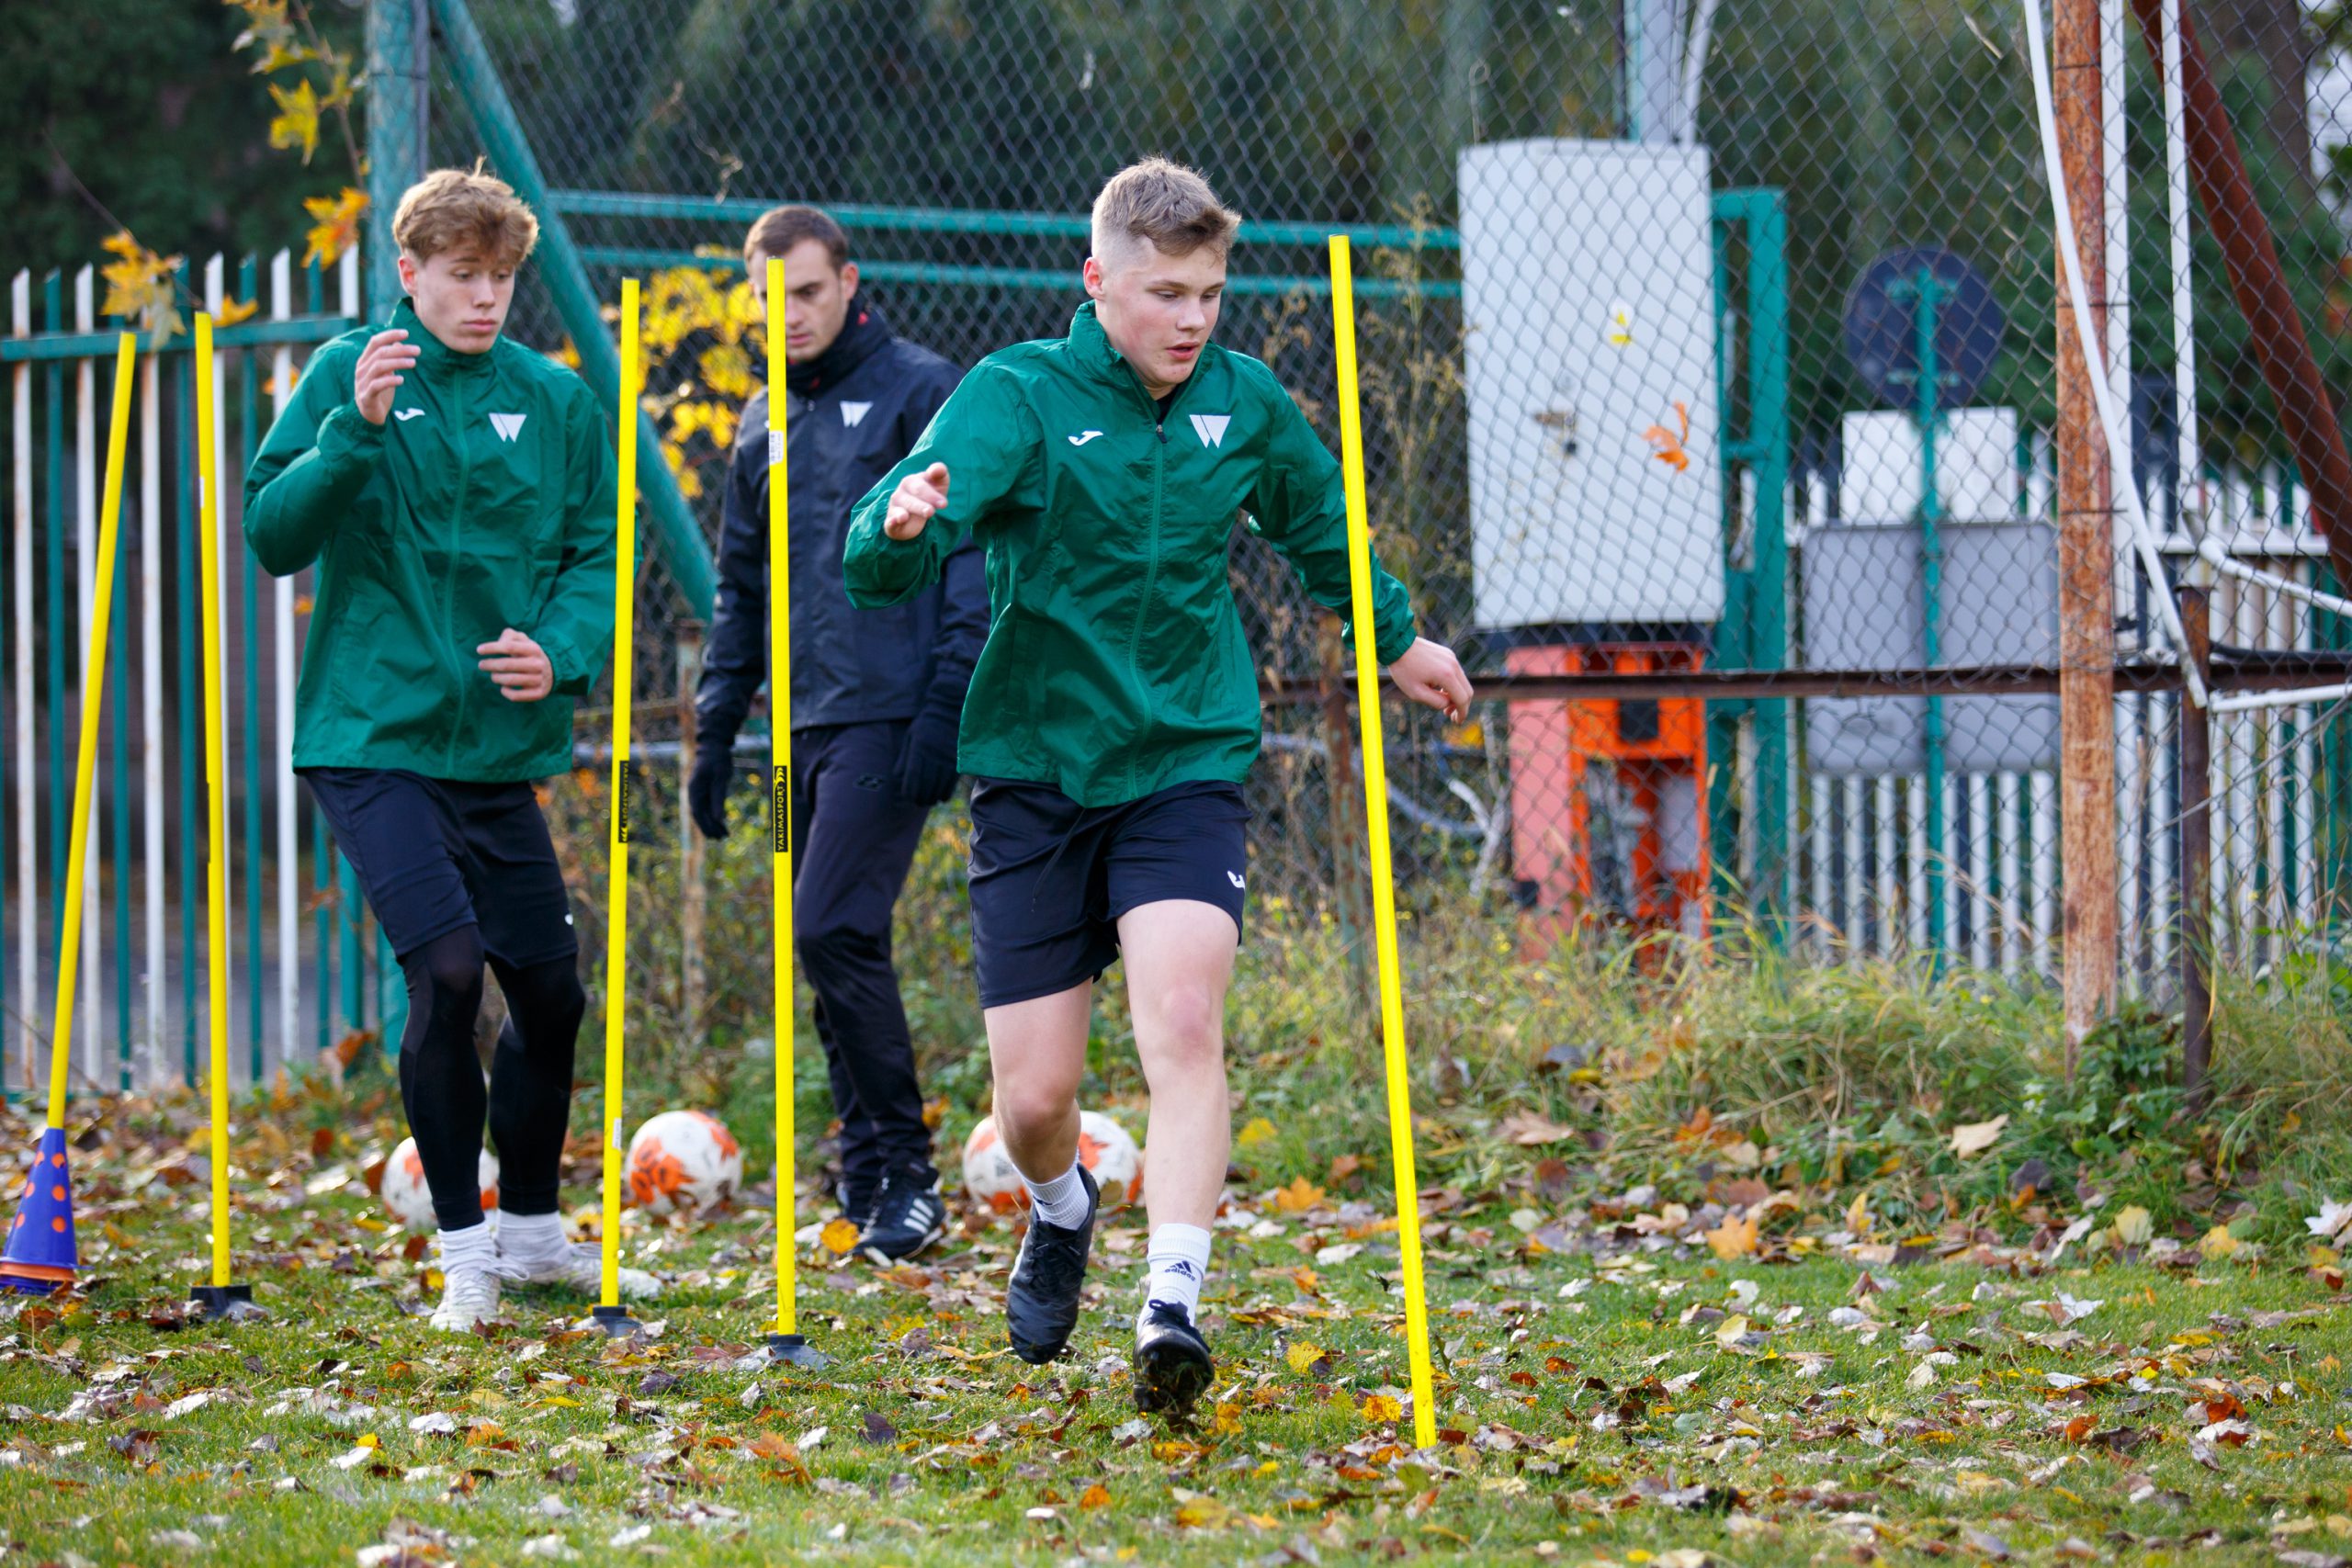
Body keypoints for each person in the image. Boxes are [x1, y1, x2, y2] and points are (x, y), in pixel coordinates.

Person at [843, 158, 1473, 1416]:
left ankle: (1170, 1304)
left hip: (1185, 755)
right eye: (1166, 294)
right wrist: (898, 527)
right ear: (1099, 281)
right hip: (1034, 767)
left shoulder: (1241, 402)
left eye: (1210, 295)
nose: (1192, 320)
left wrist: (1395, 638)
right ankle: (1061, 1205)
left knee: (1183, 1020)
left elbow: (1320, 528)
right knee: (1034, 1100)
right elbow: (889, 549)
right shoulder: (1017, 392)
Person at [244, 165, 650, 1332]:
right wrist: (353, 434)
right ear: (409, 273)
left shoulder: (557, 402)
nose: (484, 298)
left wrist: (561, 652)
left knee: (553, 994)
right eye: (463, 275)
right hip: (372, 737)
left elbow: (596, 553)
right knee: (451, 973)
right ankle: (465, 1254)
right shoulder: (350, 372)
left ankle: (533, 1236)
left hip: (499, 749)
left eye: (502, 278)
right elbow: (273, 534)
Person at [688, 206, 981, 1260]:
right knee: (821, 943)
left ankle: (909, 1175)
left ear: (848, 283)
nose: (790, 315)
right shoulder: (759, 420)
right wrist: (715, 727)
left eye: (807, 292)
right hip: (793, 734)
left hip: (888, 716)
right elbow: (741, 587)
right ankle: (863, 1174)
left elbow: (970, 558)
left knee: (831, 928)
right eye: (768, 300)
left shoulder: (922, 390)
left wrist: (946, 703)